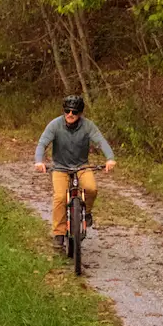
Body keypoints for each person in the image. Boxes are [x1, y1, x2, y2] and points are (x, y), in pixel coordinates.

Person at [33, 95, 116, 253]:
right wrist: (39, 161)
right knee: (59, 197)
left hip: (82, 165)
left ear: (80, 113)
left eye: (74, 112)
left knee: (91, 189)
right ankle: (59, 234)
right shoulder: (55, 125)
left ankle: (87, 212)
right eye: (67, 111)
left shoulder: (87, 126)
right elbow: (42, 143)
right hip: (60, 167)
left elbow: (101, 141)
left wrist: (110, 158)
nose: (70, 114)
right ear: (63, 111)